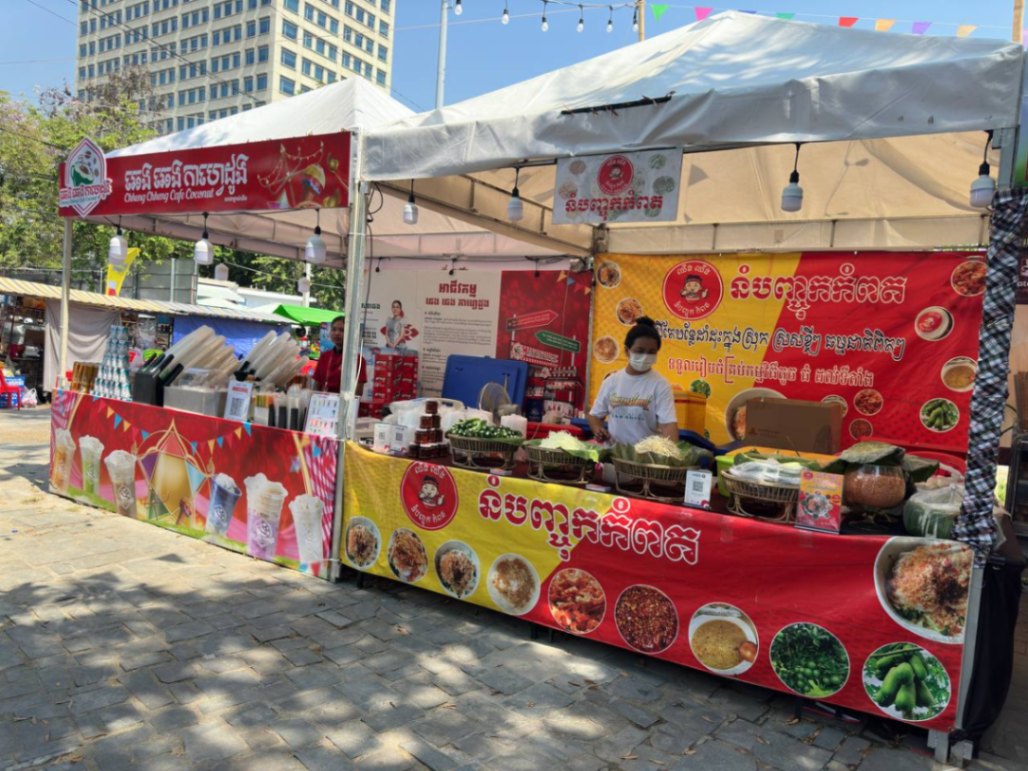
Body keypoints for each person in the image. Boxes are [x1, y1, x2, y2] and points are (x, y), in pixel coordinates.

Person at [588, 316, 678, 445]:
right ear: (627, 351)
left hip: (645, 455)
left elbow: (668, 424)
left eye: (651, 352)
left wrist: (671, 451)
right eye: (640, 351)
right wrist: (598, 429)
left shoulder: (660, 385)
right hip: (613, 454)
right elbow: (595, 416)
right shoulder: (611, 382)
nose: (645, 356)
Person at [312, 315, 365, 395]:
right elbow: (316, 386)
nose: (337, 333)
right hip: (324, 400)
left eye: (342, 330)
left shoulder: (357, 360)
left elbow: (357, 393)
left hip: (345, 402)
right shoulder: (324, 357)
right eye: (334, 329)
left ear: (350, 333)